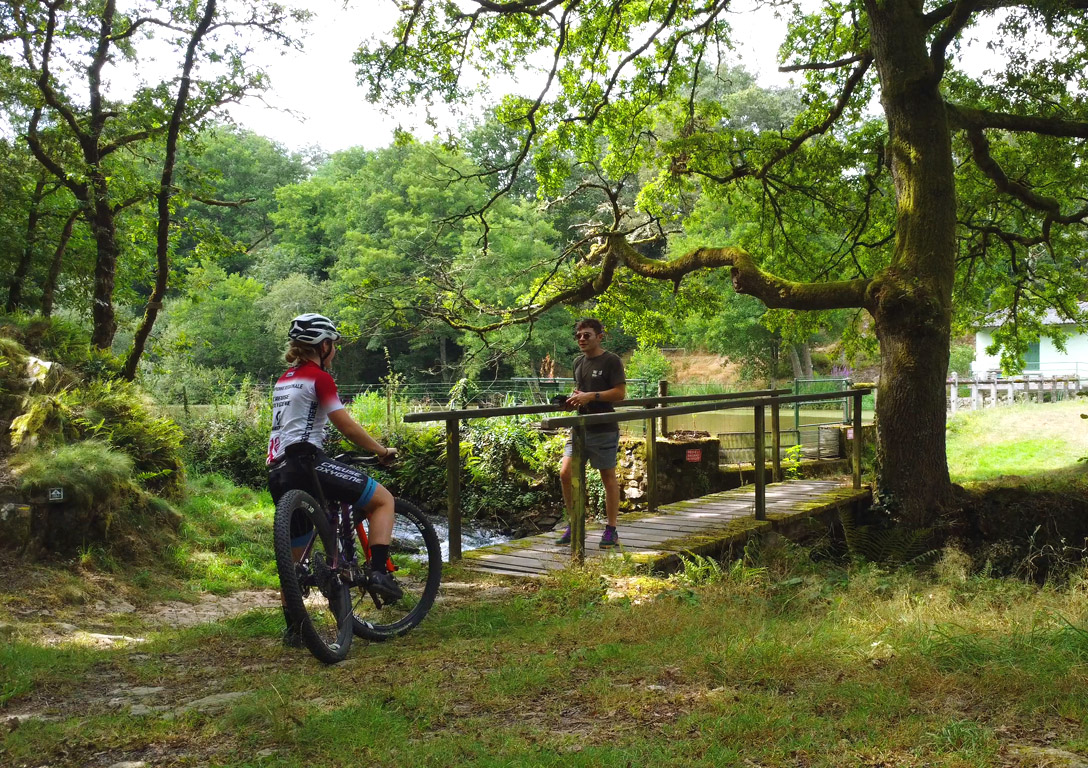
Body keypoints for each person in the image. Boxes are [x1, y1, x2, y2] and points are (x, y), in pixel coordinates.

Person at [267, 313, 401, 646]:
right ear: (323, 345)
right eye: (333, 344)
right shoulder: (319, 378)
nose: (335, 350)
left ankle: (294, 630)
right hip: (307, 464)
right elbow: (346, 425)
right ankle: (380, 572)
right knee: (383, 500)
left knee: (293, 560)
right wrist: (380, 449)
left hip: (278, 471)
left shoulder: (284, 378)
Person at [556, 318, 627, 549]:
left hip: (604, 427)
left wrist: (591, 396)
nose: (582, 339)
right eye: (578, 336)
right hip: (580, 427)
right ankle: (575, 524)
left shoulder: (611, 360)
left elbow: (620, 393)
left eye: (587, 335)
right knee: (566, 474)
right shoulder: (578, 362)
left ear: (600, 336)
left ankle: (611, 530)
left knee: (607, 477)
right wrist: (573, 400)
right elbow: (581, 393)